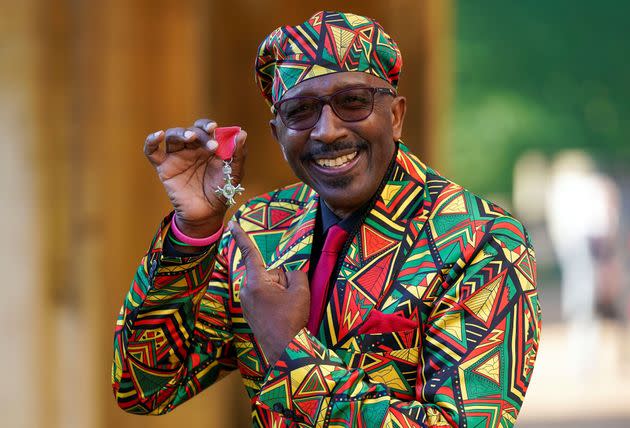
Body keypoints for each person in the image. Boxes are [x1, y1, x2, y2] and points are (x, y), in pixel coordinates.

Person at [112, 10, 541, 427]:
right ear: (277, 133)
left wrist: (289, 353)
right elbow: (145, 387)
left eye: (353, 102)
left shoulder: (481, 242)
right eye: (300, 111)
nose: (326, 131)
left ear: (394, 117)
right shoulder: (262, 231)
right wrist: (194, 234)